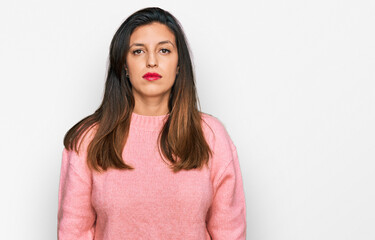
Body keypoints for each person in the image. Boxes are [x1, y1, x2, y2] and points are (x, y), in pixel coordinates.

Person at [57, 7, 246, 240]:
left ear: (179, 65)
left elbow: (230, 232)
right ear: (124, 65)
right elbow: (73, 232)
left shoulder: (211, 136)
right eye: (138, 52)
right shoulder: (87, 140)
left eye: (164, 50)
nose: (152, 61)